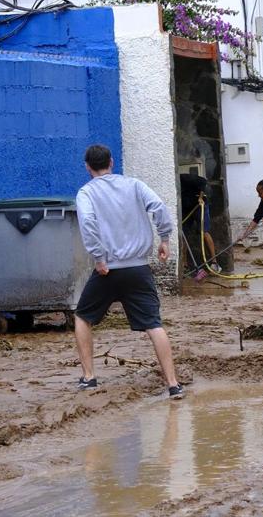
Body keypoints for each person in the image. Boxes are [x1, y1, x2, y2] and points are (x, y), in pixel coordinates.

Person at [72, 144, 183, 400]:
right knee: (154, 324)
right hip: (139, 268)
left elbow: (87, 223)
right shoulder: (134, 185)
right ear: (111, 162)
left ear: (87, 167)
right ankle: (173, 384)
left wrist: (98, 258)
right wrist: (164, 239)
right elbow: (159, 207)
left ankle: (89, 378)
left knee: (82, 317)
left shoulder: (86, 192)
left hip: (107, 270)